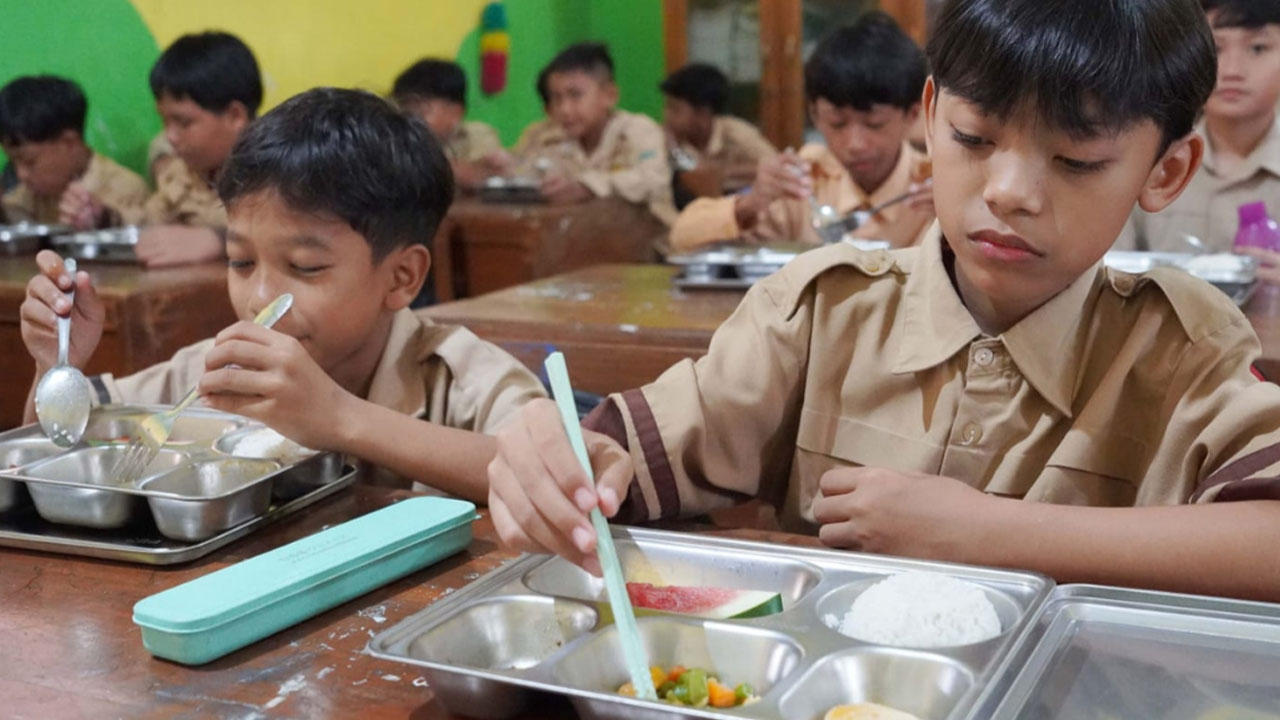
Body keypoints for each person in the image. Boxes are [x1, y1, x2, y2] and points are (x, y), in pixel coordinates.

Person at [487, 0, 1280, 602]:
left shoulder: (1183, 347)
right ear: (930, 120)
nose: (1007, 194)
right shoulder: (821, 308)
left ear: (1166, 173)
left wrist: (988, 534)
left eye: (1074, 160)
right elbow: (628, 454)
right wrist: (561, 459)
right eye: (974, 139)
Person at [21, 88, 546, 501]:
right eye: (240, 261)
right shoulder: (214, 374)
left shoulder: (463, 378)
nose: (259, 297)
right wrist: (56, 365)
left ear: (402, 277)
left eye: (305, 266)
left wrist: (341, 418)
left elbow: (559, 477)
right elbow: (53, 443)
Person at [669, 12, 934, 252]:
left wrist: (953, 223)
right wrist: (750, 204)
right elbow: (681, 238)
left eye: (874, 124)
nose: (855, 144)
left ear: (911, 115)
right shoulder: (803, 185)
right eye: (837, 123)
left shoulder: (935, 184)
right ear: (815, 115)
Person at [62, 31, 262, 268]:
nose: (170, 137)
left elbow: (293, 234)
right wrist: (104, 216)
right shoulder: (182, 173)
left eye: (184, 122)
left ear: (235, 116)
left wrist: (218, 240)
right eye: (165, 122)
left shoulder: (279, 171)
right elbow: (150, 220)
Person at [1121, 0, 1280, 286]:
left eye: (1257, 48)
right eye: (1216, 49)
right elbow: (1110, 268)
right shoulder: (1148, 152)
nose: (1232, 70)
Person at [515, 43, 675, 224]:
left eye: (575, 95)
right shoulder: (546, 138)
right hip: (579, 241)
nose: (564, 109)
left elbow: (654, 180)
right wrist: (508, 169)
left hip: (647, 242)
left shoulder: (638, 130)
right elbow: (522, 178)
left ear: (610, 96)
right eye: (557, 98)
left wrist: (587, 187)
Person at [0, 76, 147, 226]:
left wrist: (104, 218)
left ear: (68, 143)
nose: (21, 174)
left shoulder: (126, 188)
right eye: (13, 162)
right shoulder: (28, 195)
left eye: (29, 162)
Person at [660, 62, 776, 199]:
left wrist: (725, 173)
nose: (666, 116)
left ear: (702, 115)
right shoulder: (671, 140)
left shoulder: (736, 134)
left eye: (675, 109)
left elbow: (779, 167)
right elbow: (692, 173)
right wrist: (673, 149)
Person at [392, 58, 505, 190]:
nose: (410, 118)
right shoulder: (397, 137)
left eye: (421, 111)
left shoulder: (478, 135)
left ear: (455, 112)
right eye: (404, 108)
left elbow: (485, 175)